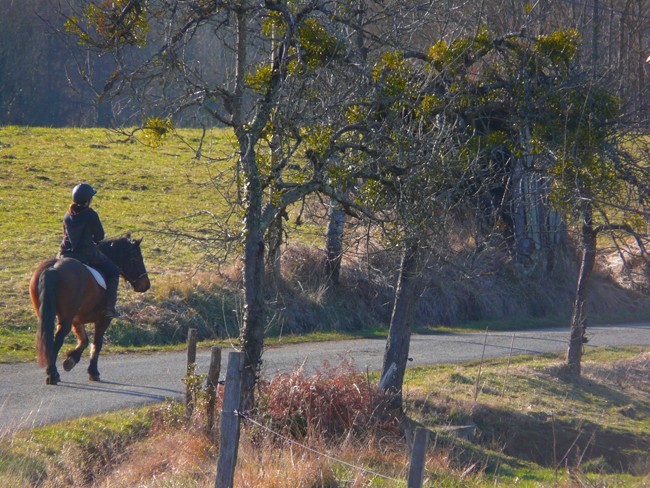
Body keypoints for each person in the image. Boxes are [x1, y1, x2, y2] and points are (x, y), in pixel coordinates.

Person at [59, 183, 120, 319]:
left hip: (65, 253)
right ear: (88, 200)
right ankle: (110, 308)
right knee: (114, 272)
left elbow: (65, 234)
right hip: (86, 253)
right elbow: (100, 236)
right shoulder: (91, 214)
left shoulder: (67, 215)